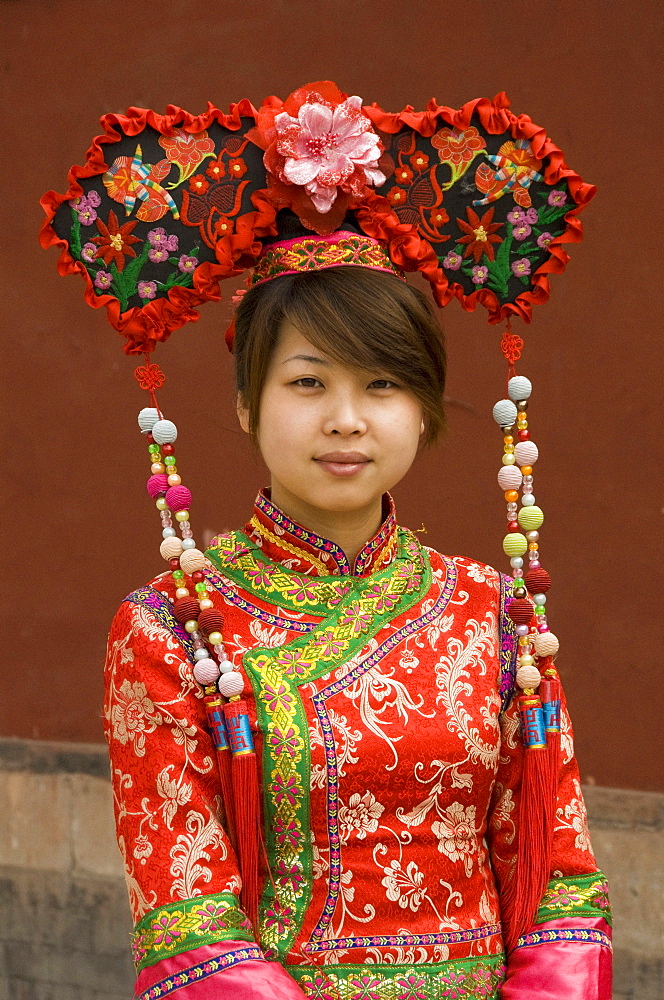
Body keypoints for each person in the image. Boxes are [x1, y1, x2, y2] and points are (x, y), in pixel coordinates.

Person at [104, 244, 612, 1000]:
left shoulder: (493, 612)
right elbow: (192, 919)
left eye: (382, 384)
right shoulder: (170, 628)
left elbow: (557, 873)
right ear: (248, 402)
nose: (346, 420)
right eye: (308, 382)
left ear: (422, 408)